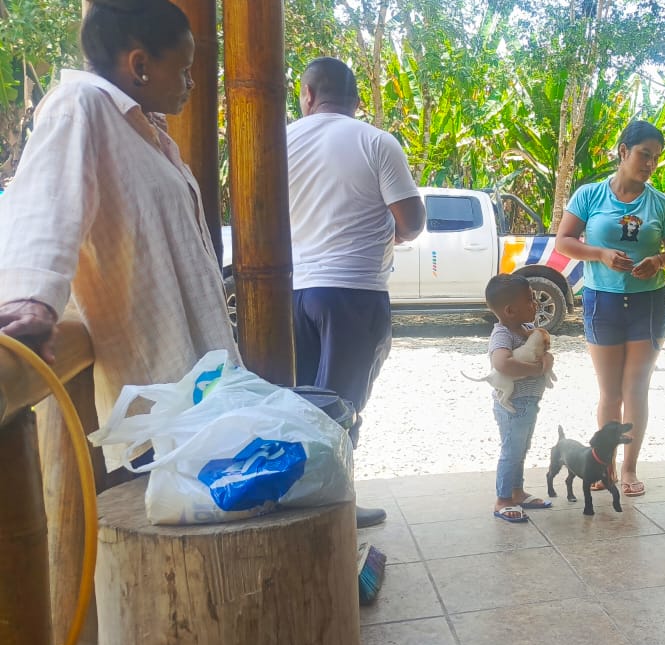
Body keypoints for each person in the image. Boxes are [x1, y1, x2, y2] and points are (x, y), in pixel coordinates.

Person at [0, 0, 237, 475]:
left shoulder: (144, 129)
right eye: (184, 70)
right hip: (156, 395)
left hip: (196, 386)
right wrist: (30, 303)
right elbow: (44, 204)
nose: (191, 84)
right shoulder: (78, 106)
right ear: (140, 65)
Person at [286, 57, 426, 528]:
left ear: (308, 94)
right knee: (341, 406)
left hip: (293, 293)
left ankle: (301, 507)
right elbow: (413, 222)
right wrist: (391, 232)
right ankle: (335, 509)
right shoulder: (375, 141)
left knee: (300, 400)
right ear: (357, 101)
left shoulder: (278, 141)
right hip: (353, 291)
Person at [553, 120, 665, 496]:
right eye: (645, 154)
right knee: (610, 393)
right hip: (603, 303)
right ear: (623, 151)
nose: (650, 164)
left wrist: (658, 262)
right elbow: (563, 241)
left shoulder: (661, 204)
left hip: (647, 305)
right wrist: (600, 254)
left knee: (636, 391)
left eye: (656, 158)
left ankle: (629, 469)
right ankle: (605, 469)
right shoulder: (590, 195)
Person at [481, 275, 555, 523]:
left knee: (521, 449)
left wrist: (547, 360)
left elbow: (541, 351)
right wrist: (536, 370)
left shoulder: (527, 330)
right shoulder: (502, 334)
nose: (536, 304)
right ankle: (503, 499)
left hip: (529, 403)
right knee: (511, 451)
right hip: (513, 405)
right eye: (530, 300)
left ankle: (517, 492)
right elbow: (502, 363)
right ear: (510, 310)